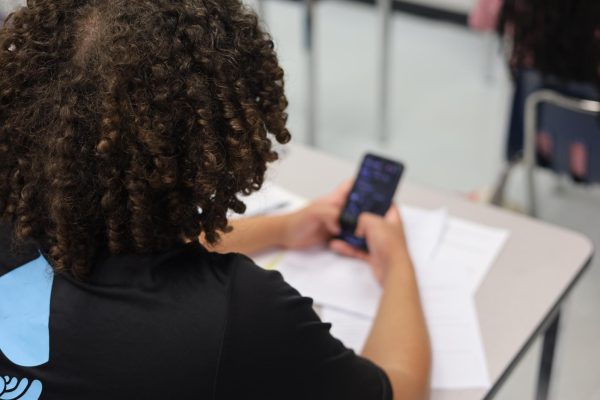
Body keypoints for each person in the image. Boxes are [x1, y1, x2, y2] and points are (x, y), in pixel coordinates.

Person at [0, 1, 430, 399]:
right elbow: (397, 390)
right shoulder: (237, 314)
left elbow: (133, 268)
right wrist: (397, 263)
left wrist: (282, 228)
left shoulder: (16, 223)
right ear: (210, 147)